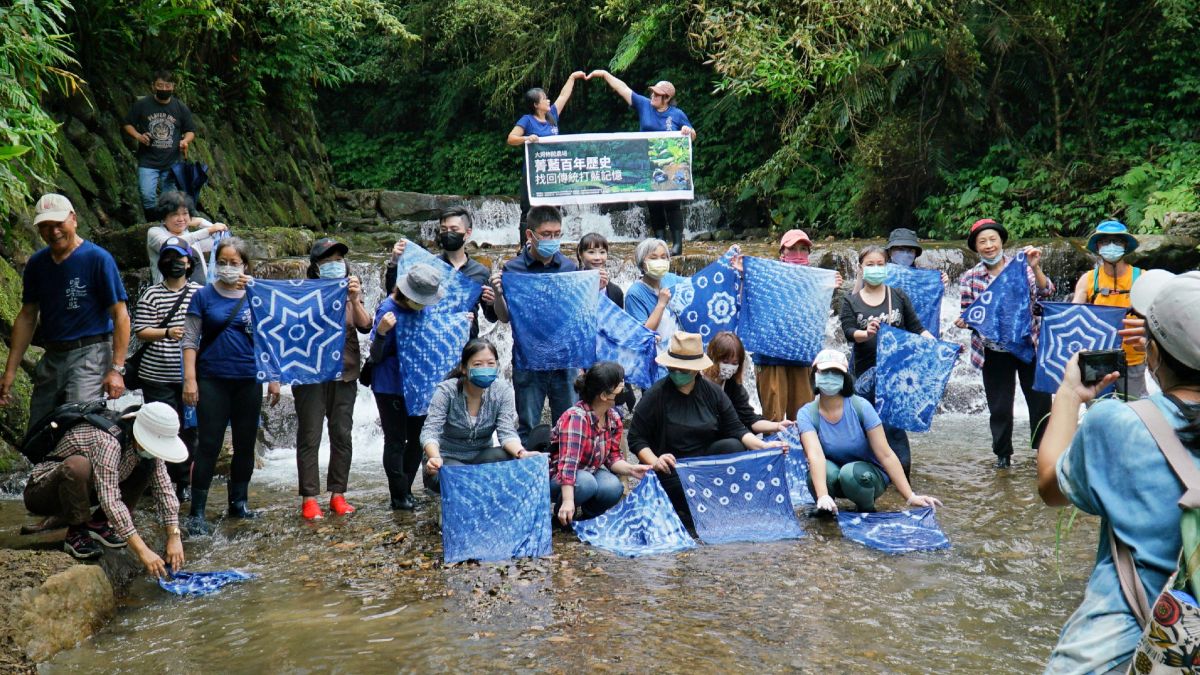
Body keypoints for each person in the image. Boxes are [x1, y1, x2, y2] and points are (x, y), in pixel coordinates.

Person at [1038, 270, 1200, 673]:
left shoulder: (1117, 422)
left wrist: (1069, 395)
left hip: (1121, 643)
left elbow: (1050, 488)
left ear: (1153, 354)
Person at [628, 332, 787, 528]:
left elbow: (737, 428)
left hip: (705, 466)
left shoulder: (713, 393)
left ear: (696, 370)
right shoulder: (656, 395)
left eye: (683, 369)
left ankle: (714, 503)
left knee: (733, 446)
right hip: (673, 468)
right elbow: (636, 438)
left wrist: (764, 447)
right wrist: (655, 461)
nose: (677, 373)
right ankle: (693, 507)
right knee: (688, 498)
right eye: (673, 368)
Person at [0, 194, 129, 425]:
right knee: (39, 427)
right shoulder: (37, 264)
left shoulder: (97, 259)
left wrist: (117, 369)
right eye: (45, 226)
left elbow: (121, 316)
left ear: (74, 219)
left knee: (78, 423)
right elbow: (27, 316)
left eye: (59, 224)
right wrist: (10, 372)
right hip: (53, 355)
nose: (53, 232)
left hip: (91, 354)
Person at [181, 237, 281, 535]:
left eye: (234, 263)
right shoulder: (203, 296)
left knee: (245, 444)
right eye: (222, 262)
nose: (227, 267)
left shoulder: (256, 295)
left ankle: (239, 503)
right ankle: (197, 512)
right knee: (209, 445)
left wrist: (274, 378)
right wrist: (190, 379)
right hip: (212, 378)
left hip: (248, 379)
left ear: (245, 265)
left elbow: (269, 337)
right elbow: (190, 339)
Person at [22, 401, 186, 574]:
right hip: (43, 491)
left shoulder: (145, 448)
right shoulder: (108, 441)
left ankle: (98, 524)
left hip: (90, 489)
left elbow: (164, 488)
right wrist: (142, 550)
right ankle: (77, 531)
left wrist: (174, 536)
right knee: (78, 466)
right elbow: (110, 500)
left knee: (146, 468)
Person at [954, 218, 1054, 468]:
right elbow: (969, 313)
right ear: (976, 247)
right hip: (993, 350)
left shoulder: (1022, 268)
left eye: (993, 239)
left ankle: (1043, 451)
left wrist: (1036, 268)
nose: (989, 245)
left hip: (1028, 345)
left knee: (1040, 402)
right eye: (982, 242)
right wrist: (965, 322)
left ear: (1001, 242)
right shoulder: (970, 278)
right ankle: (1003, 456)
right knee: (999, 408)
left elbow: (1046, 294)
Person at [797, 350, 942, 514]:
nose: (830, 377)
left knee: (849, 474)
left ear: (845, 378)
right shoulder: (806, 414)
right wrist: (822, 495)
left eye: (836, 373)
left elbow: (885, 454)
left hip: (867, 475)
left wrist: (910, 496)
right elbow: (815, 455)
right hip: (835, 474)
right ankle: (826, 508)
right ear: (814, 375)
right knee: (817, 474)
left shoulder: (861, 407)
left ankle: (866, 509)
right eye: (825, 372)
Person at [292, 238, 372, 520]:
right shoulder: (300, 293)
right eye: (328, 261)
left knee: (341, 434)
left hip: (345, 374)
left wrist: (355, 299)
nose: (335, 265)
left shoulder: (351, 292)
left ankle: (338, 494)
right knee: (310, 434)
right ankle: (310, 498)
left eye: (339, 260)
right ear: (316, 266)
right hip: (309, 375)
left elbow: (366, 325)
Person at [487, 205, 580, 442]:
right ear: (530, 234)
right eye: (546, 234)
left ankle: (564, 465)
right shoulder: (513, 269)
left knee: (568, 424)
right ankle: (528, 463)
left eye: (557, 234)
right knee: (527, 425)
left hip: (564, 359)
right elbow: (505, 317)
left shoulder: (570, 268)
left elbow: (578, 315)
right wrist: (498, 294)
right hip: (528, 360)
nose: (552, 239)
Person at [839, 245, 933, 476]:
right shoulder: (851, 301)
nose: (875, 268)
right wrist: (866, 333)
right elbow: (849, 332)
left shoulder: (898, 295)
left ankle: (902, 479)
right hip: (863, 374)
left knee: (894, 428)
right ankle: (869, 476)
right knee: (865, 426)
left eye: (880, 264)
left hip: (895, 374)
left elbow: (917, 328)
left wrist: (942, 346)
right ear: (861, 268)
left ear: (887, 267)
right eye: (870, 264)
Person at [588, 70, 696, 255]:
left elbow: (692, 135)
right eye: (652, 92)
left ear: (667, 98)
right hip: (647, 163)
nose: (653, 95)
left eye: (657, 94)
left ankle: (677, 244)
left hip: (671, 166)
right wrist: (605, 74)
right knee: (654, 204)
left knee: (672, 204)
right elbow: (623, 89)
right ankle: (660, 242)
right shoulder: (644, 105)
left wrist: (687, 130)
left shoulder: (677, 114)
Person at [370, 263, 449, 510]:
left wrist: (458, 323)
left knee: (416, 439)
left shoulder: (425, 309)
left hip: (420, 384)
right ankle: (398, 494)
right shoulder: (387, 309)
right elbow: (375, 355)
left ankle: (407, 489)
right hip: (390, 385)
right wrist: (381, 333)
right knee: (395, 440)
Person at [133, 237, 202, 499]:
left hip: (190, 375)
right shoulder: (152, 294)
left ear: (189, 262)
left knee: (189, 429)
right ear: (162, 262)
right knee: (160, 428)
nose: (175, 263)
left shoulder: (199, 292)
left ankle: (184, 482)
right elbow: (141, 331)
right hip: (156, 375)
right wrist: (166, 332)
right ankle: (158, 481)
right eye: (169, 258)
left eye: (180, 258)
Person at [420, 339, 529, 494]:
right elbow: (430, 431)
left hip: (480, 458)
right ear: (464, 368)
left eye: (490, 363)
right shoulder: (446, 391)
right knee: (458, 475)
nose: (485, 369)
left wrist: (522, 453)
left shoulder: (502, 391)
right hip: (445, 460)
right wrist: (435, 458)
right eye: (478, 364)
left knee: (507, 458)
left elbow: (507, 432)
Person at [753, 229, 839, 422]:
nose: (798, 254)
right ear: (782, 253)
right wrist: (743, 275)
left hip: (802, 356)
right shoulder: (766, 277)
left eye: (803, 249)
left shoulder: (817, 282)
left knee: (803, 419)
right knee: (773, 419)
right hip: (770, 357)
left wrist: (829, 288)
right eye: (792, 249)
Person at [549, 362, 651, 525]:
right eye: (620, 386)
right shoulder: (576, 418)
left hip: (589, 471)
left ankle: (588, 518)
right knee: (587, 483)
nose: (624, 389)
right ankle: (563, 516)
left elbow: (613, 458)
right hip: (559, 476)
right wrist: (568, 501)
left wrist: (632, 469)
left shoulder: (613, 418)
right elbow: (568, 465)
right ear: (604, 395)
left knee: (613, 487)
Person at [384, 207, 496, 338]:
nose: (448, 233)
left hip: (468, 343)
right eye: (444, 229)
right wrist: (394, 263)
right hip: (431, 339)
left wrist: (493, 302)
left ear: (467, 233)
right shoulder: (428, 267)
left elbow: (491, 317)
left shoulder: (480, 272)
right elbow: (394, 296)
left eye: (454, 229)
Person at [1070, 220, 1147, 399]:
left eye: (1117, 241)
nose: (1111, 246)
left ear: (1125, 246)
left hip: (1132, 357)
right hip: (1096, 357)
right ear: (1098, 247)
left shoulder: (1142, 277)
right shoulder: (1088, 279)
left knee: (1135, 408)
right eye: (1105, 241)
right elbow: (1073, 316)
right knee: (1097, 408)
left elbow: (1157, 315)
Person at [507, 72, 587, 232]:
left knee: (554, 210)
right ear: (536, 104)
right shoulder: (527, 120)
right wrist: (527, 138)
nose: (548, 100)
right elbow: (511, 138)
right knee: (529, 210)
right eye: (544, 98)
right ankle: (526, 244)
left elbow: (563, 96)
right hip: (533, 174)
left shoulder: (552, 116)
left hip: (553, 173)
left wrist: (571, 78)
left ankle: (551, 241)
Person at [122, 69, 196, 219]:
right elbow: (127, 124)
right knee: (147, 195)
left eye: (167, 86)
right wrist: (138, 136)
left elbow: (190, 130)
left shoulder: (180, 107)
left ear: (173, 86)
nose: (164, 89)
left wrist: (185, 141)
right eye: (160, 85)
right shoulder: (142, 104)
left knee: (169, 198)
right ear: (153, 86)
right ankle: (152, 221)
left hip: (171, 161)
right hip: (148, 160)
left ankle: (166, 224)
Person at [702, 331, 792, 435]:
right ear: (713, 357)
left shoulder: (733, 385)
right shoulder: (699, 381)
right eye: (725, 362)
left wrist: (777, 426)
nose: (729, 367)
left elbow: (750, 419)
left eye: (734, 363)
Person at [145, 190, 227, 285]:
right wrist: (208, 230)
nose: (181, 219)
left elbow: (221, 241)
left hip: (200, 291)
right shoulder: (155, 232)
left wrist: (201, 222)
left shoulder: (191, 237)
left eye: (185, 213)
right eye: (175, 214)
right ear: (163, 217)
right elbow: (172, 244)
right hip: (167, 292)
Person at [623, 237, 680, 338]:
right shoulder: (634, 294)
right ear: (642, 263)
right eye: (653, 258)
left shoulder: (671, 279)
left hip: (678, 344)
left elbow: (696, 285)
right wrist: (661, 304)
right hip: (656, 347)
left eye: (663, 257)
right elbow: (642, 335)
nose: (660, 261)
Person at [883, 228, 950, 287]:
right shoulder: (880, 274)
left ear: (915, 254)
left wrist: (940, 283)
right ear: (889, 252)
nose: (905, 254)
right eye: (900, 249)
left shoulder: (921, 277)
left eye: (910, 251)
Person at [577, 232, 624, 308]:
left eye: (602, 252)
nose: (597, 258)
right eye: (591, 252)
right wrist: (595, 291)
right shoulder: (574, 287)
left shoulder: (616, 292)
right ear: (580, 254)